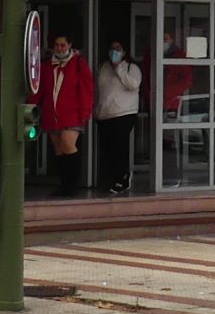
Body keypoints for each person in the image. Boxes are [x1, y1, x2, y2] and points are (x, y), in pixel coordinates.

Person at [35, 34, 96, 198]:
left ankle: (73, 185)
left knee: (68, 144)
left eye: (62, 45)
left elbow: (87, 88)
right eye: (56, 45)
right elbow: (39, 88)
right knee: (59, 149)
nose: (59, 48)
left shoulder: (78, 63)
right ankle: (63, 185)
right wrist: (33, 105)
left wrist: (85, 111)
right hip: (52, 113)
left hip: (72, 113)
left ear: (69, 45)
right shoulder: (47, 65)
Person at [93, 38, 143, 195]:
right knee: (108, 148)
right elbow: (98, 89)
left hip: (124, 113)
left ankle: (123, 177)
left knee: (119, 146)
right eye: (112, 48)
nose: (114, 51)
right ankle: (113, 176)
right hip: (104, 113)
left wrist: (118, 68)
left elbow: (133, 85)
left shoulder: (131, 67)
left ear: (124, 52)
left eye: (118, 48)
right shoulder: (102, 67)